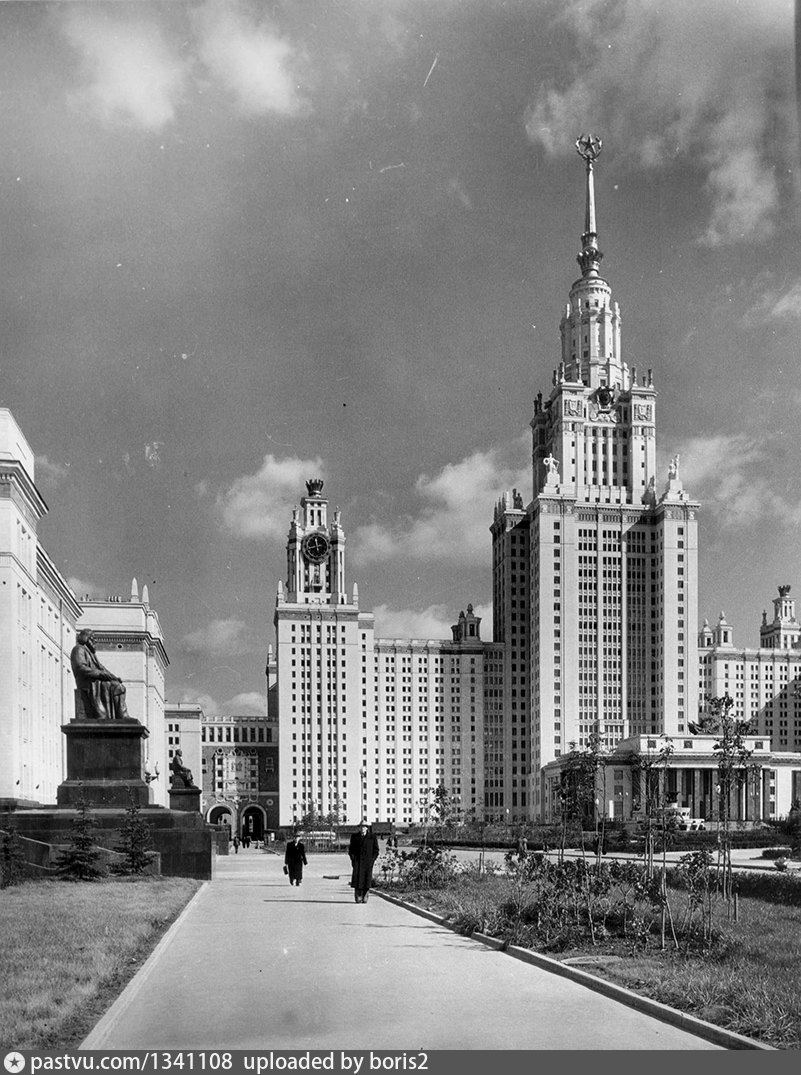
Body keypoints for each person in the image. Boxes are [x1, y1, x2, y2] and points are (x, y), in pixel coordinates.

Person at [70, 629, 131, 720]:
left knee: (118, 686)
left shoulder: (91, 653)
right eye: (92, 638)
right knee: (111, 685)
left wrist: (113, 677)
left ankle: (122, 715)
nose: (95, 641)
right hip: (87, 683)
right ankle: (105, 715)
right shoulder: (78, 649)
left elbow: (102, 668)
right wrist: (100, 674)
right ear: (86, 638)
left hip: (97, 681)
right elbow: (81, 668)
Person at [348, 821, 379, 903]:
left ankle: (365, 895)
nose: (362, 828)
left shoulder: (372, 837)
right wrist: (353, 859)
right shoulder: (355, 837)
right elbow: (351, 850)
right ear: (359, 828)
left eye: (364, 827)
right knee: (357, 879)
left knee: (366, 879)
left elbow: (376, 850)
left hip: (367, 862)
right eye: (361, 827)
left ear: (367, 828)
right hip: (357, 862)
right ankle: (358, 896)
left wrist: (372, 860)